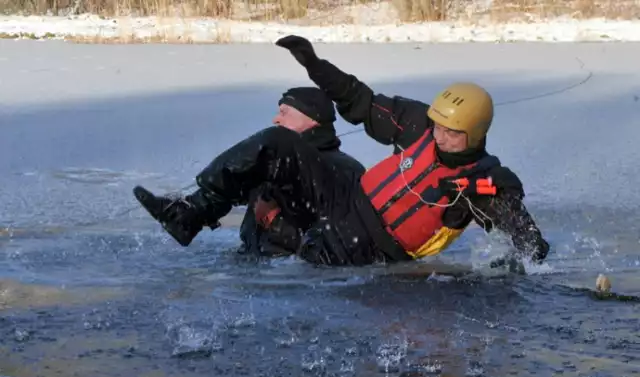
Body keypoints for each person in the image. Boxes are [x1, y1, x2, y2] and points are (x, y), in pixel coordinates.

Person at [132, 35, 550, 268]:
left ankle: (285, 240)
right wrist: (315, 65)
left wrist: (521, 265)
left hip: (373, 247)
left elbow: (530, 245)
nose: (438, 136)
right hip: (346, 198)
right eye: (436, 126)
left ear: (474, 134)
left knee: (308, 266)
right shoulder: (421, 124)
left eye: (450, 133)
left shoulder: (484, 183)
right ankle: (190, 213)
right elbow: (359, 101)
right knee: (275, 145)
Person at [238, 87, 366, 257]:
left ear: (312, 119)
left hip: (299, 276)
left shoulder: (341, 169)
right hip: (264, 269)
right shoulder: (279, 164)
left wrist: (271, 221)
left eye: (284, 113)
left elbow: (338, 240)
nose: (275, 119)